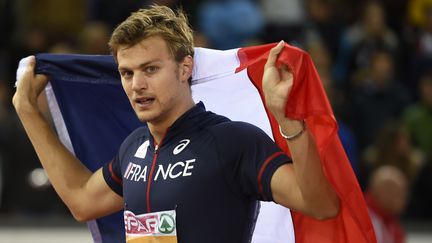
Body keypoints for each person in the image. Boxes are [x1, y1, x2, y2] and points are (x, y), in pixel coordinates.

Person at [12, 5, 339, 243]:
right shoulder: (134, 147)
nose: (136, 84)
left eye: (150, 69)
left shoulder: (232, 141)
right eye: (127, 73)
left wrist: (288, 120)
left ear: (185, 68)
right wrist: (27, 109)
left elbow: (319, 205)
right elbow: (83, 200)